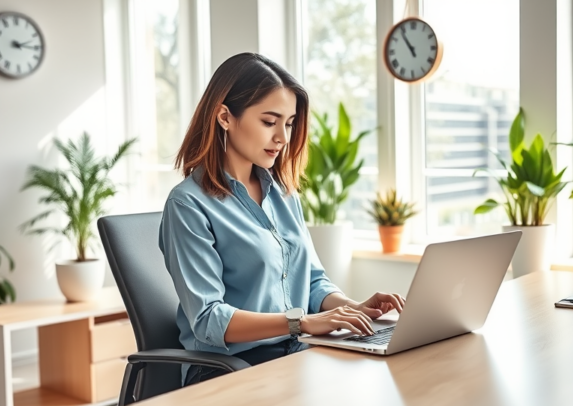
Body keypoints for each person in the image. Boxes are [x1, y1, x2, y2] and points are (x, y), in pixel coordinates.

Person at [159, 53, 405, 386]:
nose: (283, 138)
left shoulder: (284, 194)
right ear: (224, 117)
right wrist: (300, 323)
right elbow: (208, 319)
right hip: (230, 370)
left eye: (288, 123)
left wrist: (351, 309)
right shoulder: (188, 205)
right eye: (269, 121)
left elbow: (313, 282)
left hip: (296, 356)